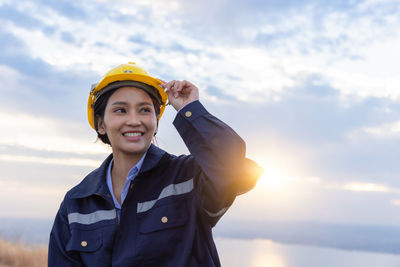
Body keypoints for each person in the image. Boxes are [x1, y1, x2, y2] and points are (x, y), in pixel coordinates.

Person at [48, 62, 263, 267]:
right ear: (101, 124)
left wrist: (190, 110)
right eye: (120, 110)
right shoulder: (77, 203)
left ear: (156, 122)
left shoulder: (188, 178)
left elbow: (234, 170)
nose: (134, 120)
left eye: (144, 110)